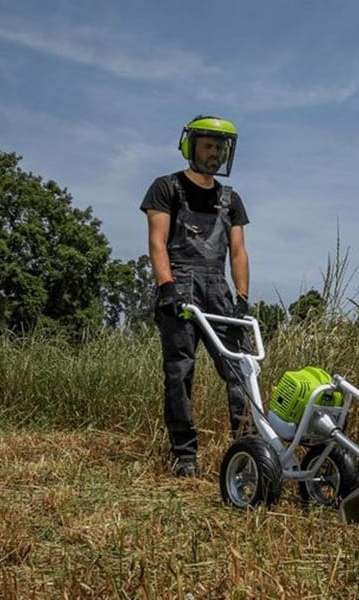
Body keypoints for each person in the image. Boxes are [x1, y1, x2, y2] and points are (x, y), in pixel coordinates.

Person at [140, 115, 251, 477]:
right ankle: (185, 456)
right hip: (180, 283)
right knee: (179, 372)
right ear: (191, 146)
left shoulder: (230, 198)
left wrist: (242, 298)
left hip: (218, 288)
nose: (214, 153)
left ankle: (247, 447)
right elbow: (157, 242)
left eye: (220, 148)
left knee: (240, 368)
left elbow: (237, 251)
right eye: (208, 146)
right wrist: (167, 287)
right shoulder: (166, 187)